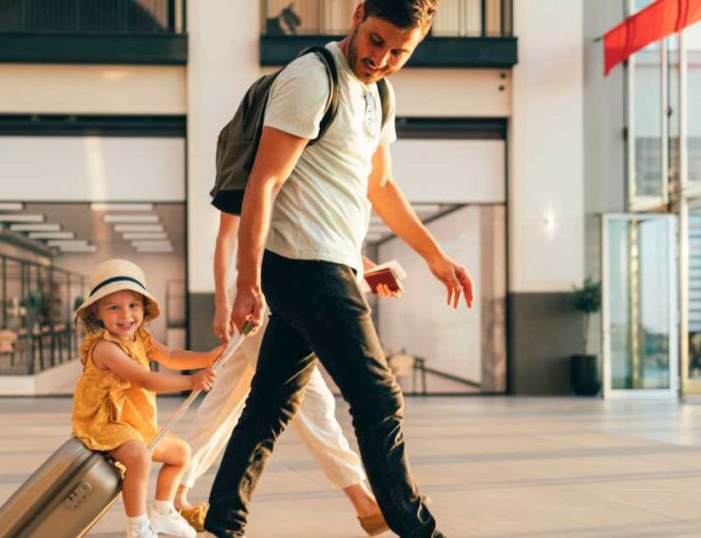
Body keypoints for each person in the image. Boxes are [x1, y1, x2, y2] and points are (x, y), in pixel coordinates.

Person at [204, 1, 474, 537]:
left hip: (332, 264)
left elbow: (380, 188)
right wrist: (246, 281)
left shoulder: (379, 94)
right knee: (377, 397)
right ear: (357, 16)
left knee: (270, 405)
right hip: (305, 265)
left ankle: (221, 525)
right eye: (376, 41)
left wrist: (435, 257)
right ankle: (420, 532)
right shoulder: (312, 78)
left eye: (400, 51)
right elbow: (264, 183)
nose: (382, 59)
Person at [173, 212, 399, 536]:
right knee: (310, 398)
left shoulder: (301, 173)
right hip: (256, 294)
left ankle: (173, 495)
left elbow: (314, 235)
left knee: (225, 401)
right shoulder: (253, 166)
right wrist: (223, 304)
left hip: (284, 290)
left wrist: (369, 270)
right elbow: (227, 237)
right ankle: (363, 503)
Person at [72, 259, 220, 538]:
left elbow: (172, 357)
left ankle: (163, 511)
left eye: (133, 305)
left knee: (180, 453)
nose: (125, 314)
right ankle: (137, 526)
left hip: (133, 421)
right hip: (105, 422)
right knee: (139, 458)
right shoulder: (105, 347)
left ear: (143, 308)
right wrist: (191, 381)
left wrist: (207, 357)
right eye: (113, 307)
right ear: (97, 313)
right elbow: (144, 379)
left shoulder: (141, 338)